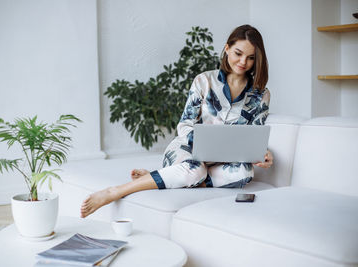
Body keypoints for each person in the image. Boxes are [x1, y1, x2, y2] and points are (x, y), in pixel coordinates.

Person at [81, 24, 273, 218]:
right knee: (195, 169)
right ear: (227, 49)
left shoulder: (261, 95)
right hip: (187, 151)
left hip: (224, 161)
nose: (243, 62)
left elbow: (253, 135)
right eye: (238, 53)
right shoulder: (203, 81)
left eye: (250, 58)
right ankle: (116, 191)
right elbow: (185, 124)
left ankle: (159, 176)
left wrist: (262, 153)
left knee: (244, 174)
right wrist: (202, 147)